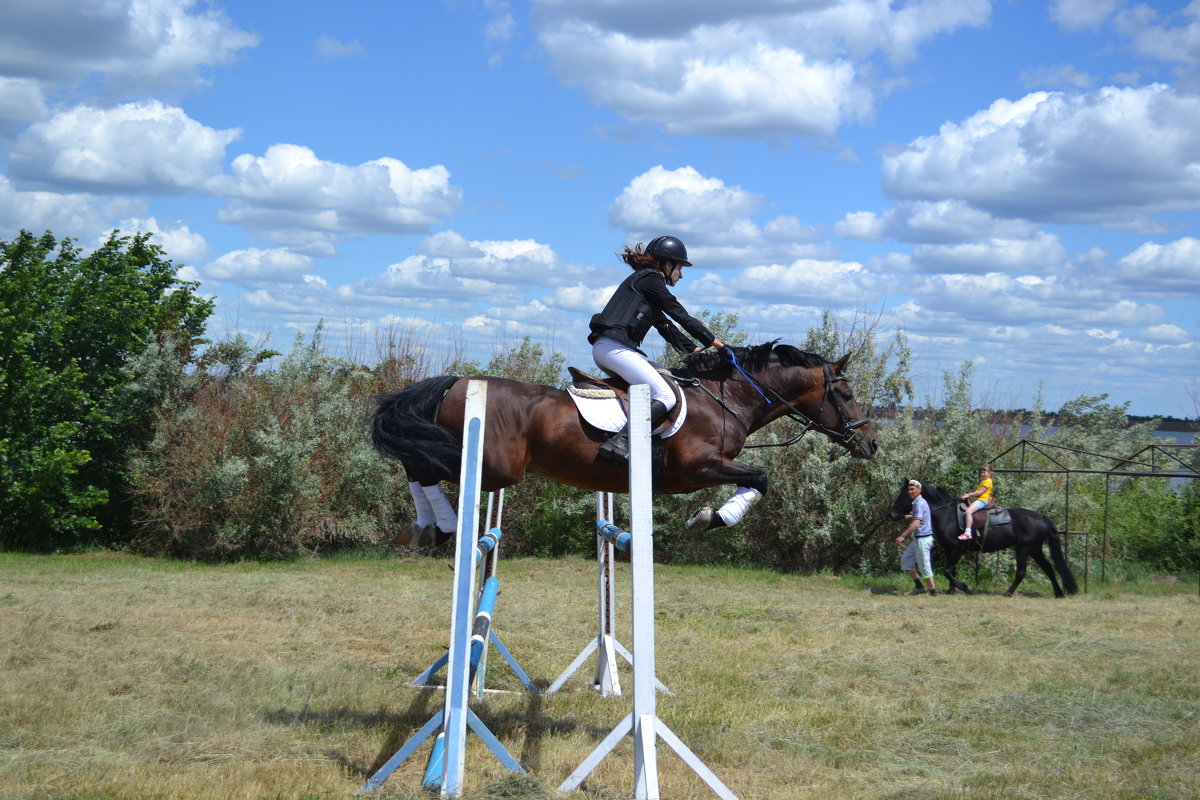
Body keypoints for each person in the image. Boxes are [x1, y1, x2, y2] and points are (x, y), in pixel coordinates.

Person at [587, 235, 726, 463]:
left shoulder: (645, 285)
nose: (681, 275)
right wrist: (718, 344)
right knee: (666, 395)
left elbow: (666, 326)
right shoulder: (651, 280)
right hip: (614, 349)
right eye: (680, 268)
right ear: (667, 264)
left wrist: (695, 350)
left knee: (664, 376)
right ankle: (621, 442)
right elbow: (679, 314)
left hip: (609, 349)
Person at [896, 479, 937, 596]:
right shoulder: (917, 502)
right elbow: (917, 516)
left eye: (912, 489)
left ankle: (933, 592)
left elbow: (916, 523)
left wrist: (902, 536)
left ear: (919, 490)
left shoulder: (919, 503)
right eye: (909, 489)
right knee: (906, 560)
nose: (910, 491)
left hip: (923, 539)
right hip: (918, 539)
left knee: (924, 565)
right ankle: (919, 587)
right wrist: (903, 516)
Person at [957, 464, 994, 540]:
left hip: (982, 501)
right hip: (980, 499)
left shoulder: (987, 481)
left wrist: (968, 494)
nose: (983, 474)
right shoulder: (984, 481)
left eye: (985, 472)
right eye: (982, 472)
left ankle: (968, 532)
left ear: (990, 473)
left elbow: (980, 492)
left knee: (968, 511)